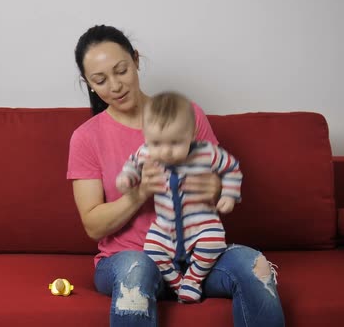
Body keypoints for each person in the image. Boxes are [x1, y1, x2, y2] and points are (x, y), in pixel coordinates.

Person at [67, 25, 284, 326]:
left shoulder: (188, 114)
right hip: (130, 258)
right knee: (136, 268)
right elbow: (93, 225)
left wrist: (214, 188)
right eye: (101, 80)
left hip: (195, 259)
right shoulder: (86, 138)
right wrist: (140, 192)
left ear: (136, 60)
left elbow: (218, 184)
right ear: (89, 84)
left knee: (255, 265)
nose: (115, 86)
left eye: (121, 70)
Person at [115, 91, 242, 303]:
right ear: (146, 137)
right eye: (156, 143)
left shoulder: (206, 153)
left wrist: (229, 194)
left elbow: (232, 169)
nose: (165, 152)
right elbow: (132, 164)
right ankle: (176, 282)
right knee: (152, 249)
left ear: (192, 135)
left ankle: (193, 279)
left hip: (201, 223)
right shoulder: (147, 152)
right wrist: (127, 178)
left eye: (175, 143)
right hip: (165, 227)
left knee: (214, 240)